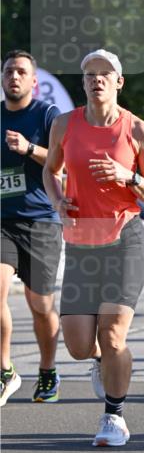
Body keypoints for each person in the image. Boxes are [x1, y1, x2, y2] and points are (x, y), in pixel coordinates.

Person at [43, 49, 144, 445]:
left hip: (125, 238)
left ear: (119, 82)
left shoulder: (138, 130)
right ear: (83, 83)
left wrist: (127, 175)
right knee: (80, 344)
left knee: (113, 333)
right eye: (90, 75)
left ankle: (114, 416)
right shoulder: (65, 125)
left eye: (105, 74)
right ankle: (101, 361)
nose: (97, 80)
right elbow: (51, 170)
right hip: (81, 242)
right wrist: (58, 200)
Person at [1, 50, 62, 405]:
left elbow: (62, 160)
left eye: (21, 71)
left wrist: (30, 148)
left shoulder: (46, 114)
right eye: (9, 71)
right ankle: (5, 371)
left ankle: (48, 369)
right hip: (2, 220)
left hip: (41, 220)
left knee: (39, 304)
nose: (14, 76)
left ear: (33, 81)